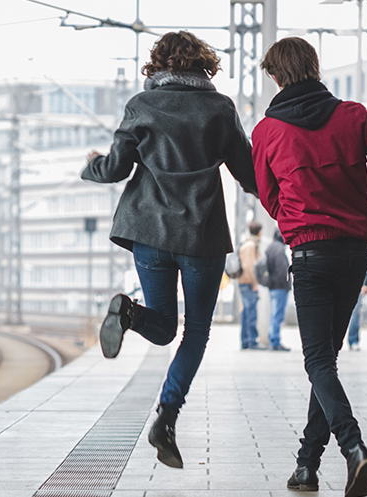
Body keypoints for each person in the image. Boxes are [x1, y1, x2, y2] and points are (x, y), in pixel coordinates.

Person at [251, 37, 367, 497]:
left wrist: (298, 215)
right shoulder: (354, 116)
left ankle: (354, 448)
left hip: (309, 256)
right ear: (315, 66)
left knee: (318, 362)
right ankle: (306, 466)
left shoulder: (267, 132)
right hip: (353, 257)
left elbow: (269, 199)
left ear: (275, 76)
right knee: (324, 362)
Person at [81, 31, 258, 470]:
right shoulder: (220, 108)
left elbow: (116, 167)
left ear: (157, 65)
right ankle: (166, 417)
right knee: (194, 331)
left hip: (149, 232)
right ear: (204, 65)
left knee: (161, 328)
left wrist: (92, 164)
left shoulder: (143, 106)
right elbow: (247, 173)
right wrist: (286, 194)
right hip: (201, 236)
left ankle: (129, 313)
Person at [238, 222, 265, 350]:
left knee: (246, 312)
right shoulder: (251, 245)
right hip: (248, 283)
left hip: (244, 282)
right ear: (259, 232)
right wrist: (255, 284)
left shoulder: (247, 243)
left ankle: (246, 341)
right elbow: (249, 267)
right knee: (251, 312)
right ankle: (252, 341)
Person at [264, 230, 292, 351]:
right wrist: (286, 284)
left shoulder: (270, 247)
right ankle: (275, 341)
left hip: (272, 286)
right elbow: (282, 270)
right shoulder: (279, 249)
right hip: (280, 287)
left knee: (275, 313)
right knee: (278, 315)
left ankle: (273, 339)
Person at [346, 263, 367, 351]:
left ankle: (353, 340)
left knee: (356, 313)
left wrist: (365, 283)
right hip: (341, 279)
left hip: (357, 283)